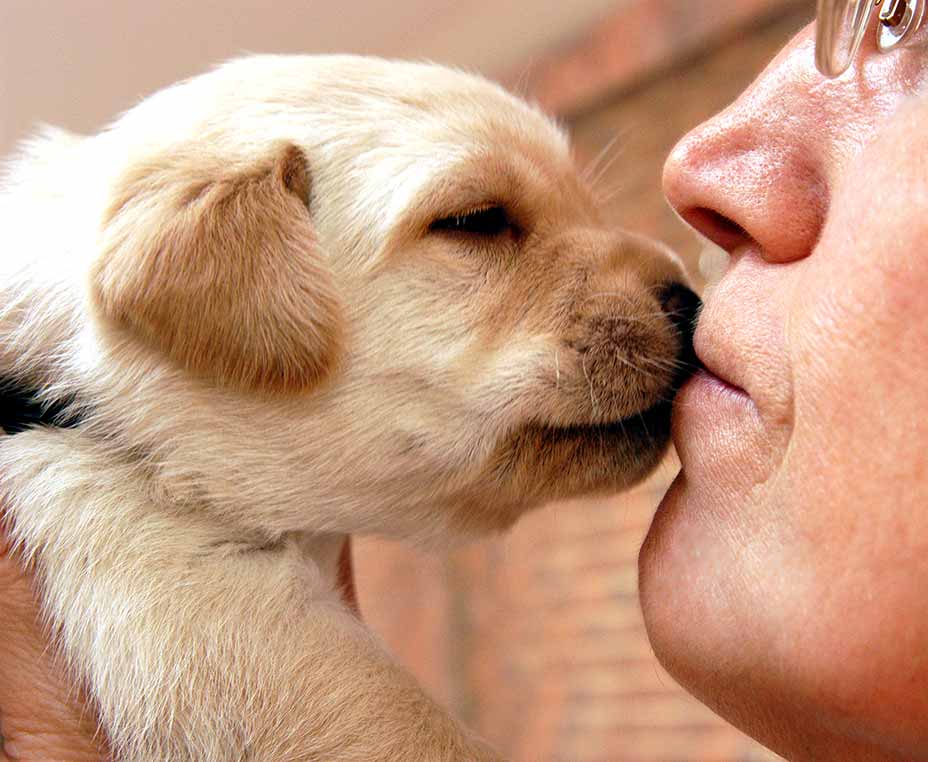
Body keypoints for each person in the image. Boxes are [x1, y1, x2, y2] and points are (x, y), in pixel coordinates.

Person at [3, 4, 927, 760]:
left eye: (901, 18)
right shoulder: (78, 490)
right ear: (224, 280)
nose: (659, 274)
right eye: (484, 223)